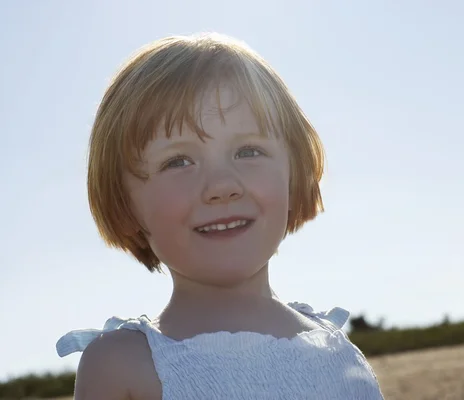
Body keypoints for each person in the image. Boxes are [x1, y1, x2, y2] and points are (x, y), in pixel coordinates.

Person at [56, 32, 384, 399]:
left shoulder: (339, 353)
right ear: (124, 202)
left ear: (295, 175)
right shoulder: (123, 367)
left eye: (248, 151)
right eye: (177, 161)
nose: (222, 185)